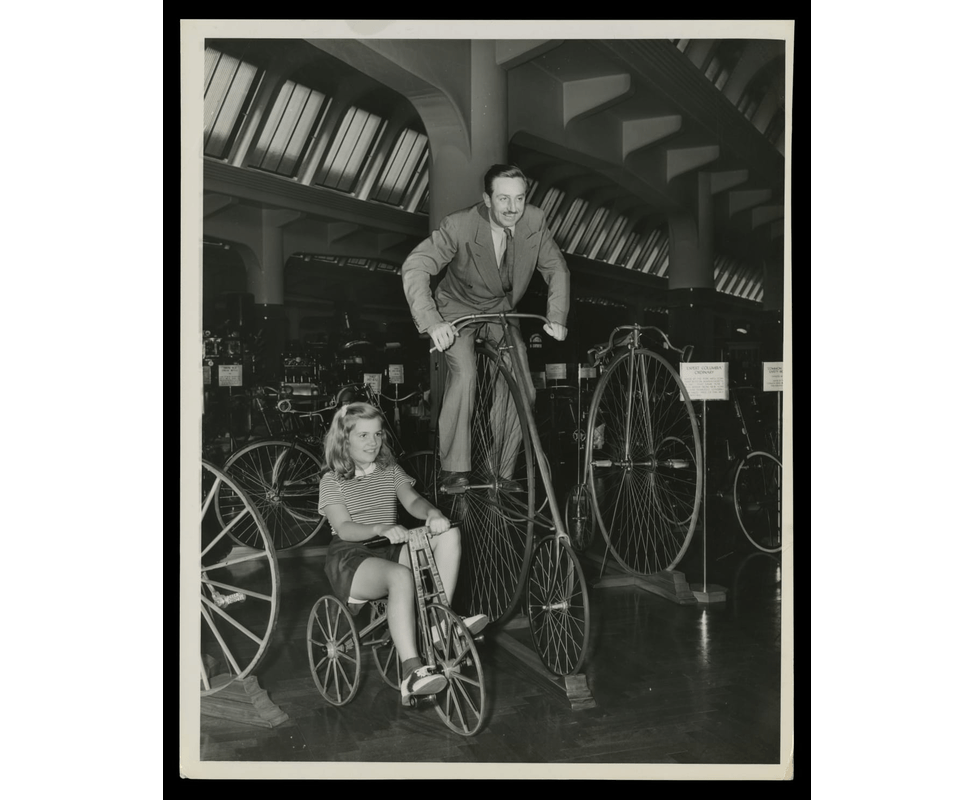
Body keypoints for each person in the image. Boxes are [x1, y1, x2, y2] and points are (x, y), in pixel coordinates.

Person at [402, 164, 570, 490]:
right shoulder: (460, 225)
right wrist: (434, 322)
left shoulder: (534, 221)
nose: (512, 208)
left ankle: (501, 470)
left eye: (519, 199)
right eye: (503, 199)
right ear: (487, 198)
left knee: (523, 386)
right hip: (457, 309)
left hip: (499, 312)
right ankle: (453, 468)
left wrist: (557, 316)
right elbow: (416, 266)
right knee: (465, 373)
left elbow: (557, 269)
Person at [317, 402, 487, 705]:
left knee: (449, 534)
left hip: (390, 548)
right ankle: (411, 672)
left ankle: (439, 623)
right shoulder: (332, 481)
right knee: (400, 576)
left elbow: (412, 501)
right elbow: (344, 528)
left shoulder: (390, 471)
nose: (373, 442)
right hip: (352, 558)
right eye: (363, 436)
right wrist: (379, 528)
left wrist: (433, 514)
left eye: (378, 434)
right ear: (344, 440)